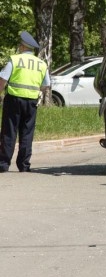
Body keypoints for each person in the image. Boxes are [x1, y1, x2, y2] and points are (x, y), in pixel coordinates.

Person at [0, 31, 51, 173]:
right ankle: (24, 165)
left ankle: (3, 164)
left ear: (22, 46)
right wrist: (37, 93)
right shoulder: (41, 63)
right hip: (32, 102)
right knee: (27, 133)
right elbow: (46, 85)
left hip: (14, 100)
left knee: (9, 131)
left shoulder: (15, 60)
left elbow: (3, 79)